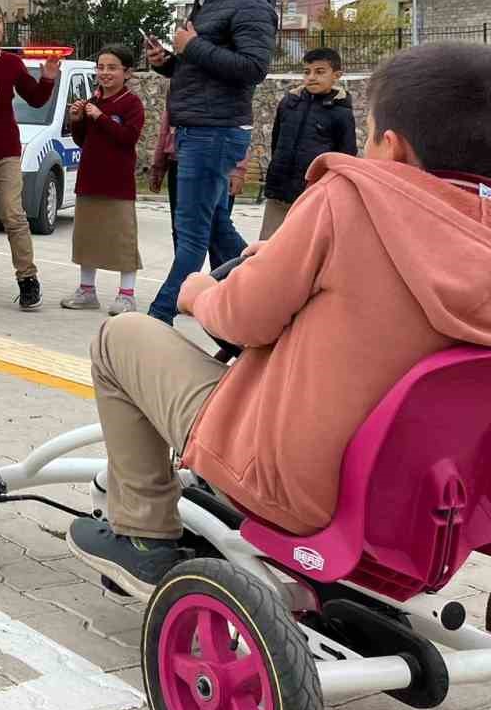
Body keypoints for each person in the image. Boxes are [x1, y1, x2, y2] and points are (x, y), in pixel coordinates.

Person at [66, 42, 491, 596]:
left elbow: (244, 319)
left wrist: (197, 294)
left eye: (367, 136)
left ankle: (144, 533)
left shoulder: (350, 199)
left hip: (294, 483)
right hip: (420, 509)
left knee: (120, 337)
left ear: (393, 146)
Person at [144, 0, 278, 325]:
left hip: (213, 133)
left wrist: (193, 46)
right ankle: (258, 303)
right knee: (217, 230)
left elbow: (253, 68)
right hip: (198, 129)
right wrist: (171, 62)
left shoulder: (251, 4)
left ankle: (157, 318)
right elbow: (204, 72)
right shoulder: (213, 0)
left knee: (191, 237)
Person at [0, 0, 58, 310]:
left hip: (6, 151)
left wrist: (47, 77)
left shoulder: (12, 64)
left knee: (13, 215)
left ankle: (28, 280)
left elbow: (35, 99)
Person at [60, 45, 146, 315]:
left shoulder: (131, 104)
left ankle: (127, 294)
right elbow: (83, 140)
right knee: (87, 238)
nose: (105, 73)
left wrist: (101, 117)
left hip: (117, 184)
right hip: (89, 180)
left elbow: (127, 138)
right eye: (101, 67)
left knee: (122, 239)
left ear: (127, 72)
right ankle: (87, 290)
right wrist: (77, 120)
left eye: (112, 67)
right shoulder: (93, 100)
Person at [260, 47, 357, 240]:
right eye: (307, 72)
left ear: (336, 75)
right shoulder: (289, 103)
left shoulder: (341, 113)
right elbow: (276, 141)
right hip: (279, 191)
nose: (311, 77)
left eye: (320, 72)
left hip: (313, 195)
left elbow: (345, 156)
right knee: (267, 246)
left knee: (303, 248)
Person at [149, 99, 249, 262]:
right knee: (182, 229)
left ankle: (226, 278)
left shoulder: (229, 81)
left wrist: (238, 169)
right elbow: (165, 127)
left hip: (220, 161)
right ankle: (185, 283)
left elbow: (242, 125)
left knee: (217, 227)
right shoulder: (181, 82)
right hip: (180, 161)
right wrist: (158, 165)